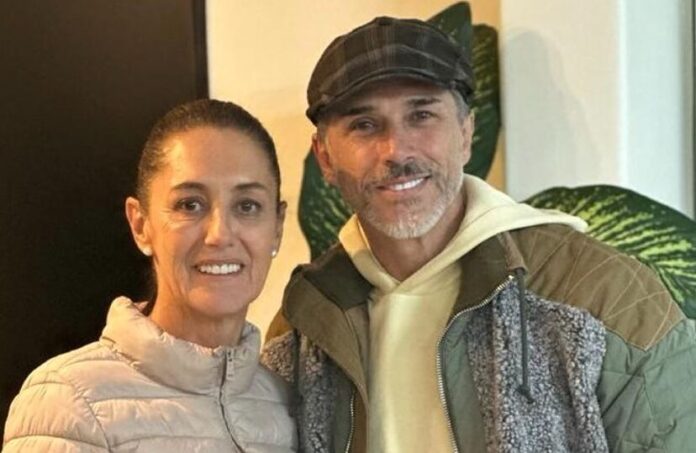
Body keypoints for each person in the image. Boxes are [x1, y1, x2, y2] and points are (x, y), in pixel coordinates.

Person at [262, 16, 696, 453]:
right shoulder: (305, 320)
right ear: (325, 158)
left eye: (422, 115)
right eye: (364, 125)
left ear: (466, 134)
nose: (397, 150)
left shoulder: (603, 294)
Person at [3, 99, 298, 452]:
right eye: (190, 204)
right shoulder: (71, 402)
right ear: (140, 225)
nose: (220, 234)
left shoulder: (287, 406)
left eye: (247, 206)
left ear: (277, 227)